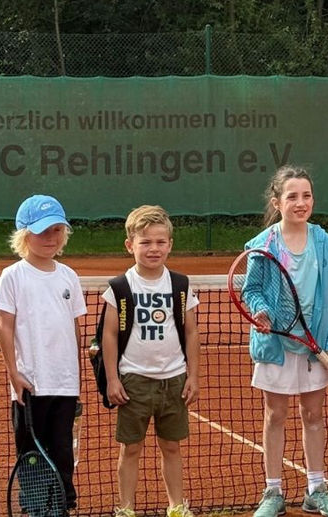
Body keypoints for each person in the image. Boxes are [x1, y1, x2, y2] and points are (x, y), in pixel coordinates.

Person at [245, 166, 328, 517]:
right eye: (292, 196)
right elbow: (252, 290)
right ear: (277, 202)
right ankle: (273, 493)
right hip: (275, 346)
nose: (300, 202)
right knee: (275, 415)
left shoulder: (325, 243)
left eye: (306, 195)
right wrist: (261, 313)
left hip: (314, 345)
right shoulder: (262, 245)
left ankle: (316, 490)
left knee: (314, 414)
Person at [101, 205, 201, 517]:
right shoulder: (119, 288)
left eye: (160, 242)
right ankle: (126, 509)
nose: (153, 249)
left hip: (175, 380)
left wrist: (193, 376)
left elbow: (192, 332)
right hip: (134, 380)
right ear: (130, 245)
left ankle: (176, 507)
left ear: (170, 244)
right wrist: (113, 378)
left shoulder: (181, 285)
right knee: (130, 448)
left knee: (171, 446)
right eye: (145, 242)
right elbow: (108, 337)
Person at [0, 194, 86, 511]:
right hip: (30, 385)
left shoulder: (69, 277)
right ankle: (35, 508)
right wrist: (14, 375)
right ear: (23, 235)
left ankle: (59, 507)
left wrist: (77, 379)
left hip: (65, 385)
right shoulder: (13, 276)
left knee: (62, 452)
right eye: (43, 231)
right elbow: (5, 328)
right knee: (31, 454)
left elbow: (74, 330)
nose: (51, 238)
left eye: (57, 230)